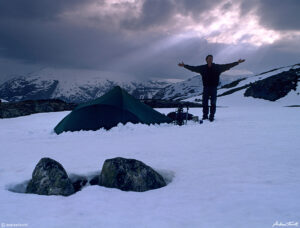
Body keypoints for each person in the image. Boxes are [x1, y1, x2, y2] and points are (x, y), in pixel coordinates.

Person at [178, 55, 245, 121]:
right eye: (209, 58)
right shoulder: (202, 68)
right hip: (206, 88)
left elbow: (227, 66)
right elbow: (193, 68)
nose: (210, 60)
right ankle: (205, 116)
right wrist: (184, 66)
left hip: (214, 88)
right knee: (205, 103)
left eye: (211, 58)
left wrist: (237, 62)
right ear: (206, 60)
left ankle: (211, 116)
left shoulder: (217, 67)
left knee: (213, 103)